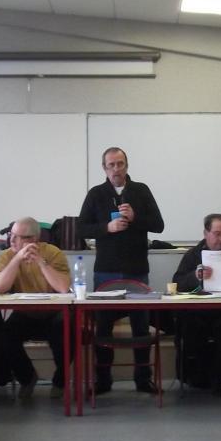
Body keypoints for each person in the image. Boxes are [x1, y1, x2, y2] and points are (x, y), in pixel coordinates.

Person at [77, 146, 164, 393]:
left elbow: (158, 225)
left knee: (140, 326)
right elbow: (81, 228)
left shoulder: (141, 190)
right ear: (104, 168)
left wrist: (135, 217)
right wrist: (107, 228)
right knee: (103, 326)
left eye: (120, 164)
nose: (116, 169)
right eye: (111, 165)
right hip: (106, 270)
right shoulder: (96, 194)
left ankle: (143, 379)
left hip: (137, 269)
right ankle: (103, 380)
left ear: (127, 165)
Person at [171, 213, 221, 396]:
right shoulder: (193, 255)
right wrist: (194, 277)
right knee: (190, 326)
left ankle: (218, 375)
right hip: (198, 311)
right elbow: (177, 283)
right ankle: (216, 372)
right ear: (205, 233)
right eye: (217, 234)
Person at [0, 216, 71, 399]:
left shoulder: (53, 252)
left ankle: (60, 381)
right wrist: (17, 258)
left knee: (67, 333)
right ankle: (27, 378)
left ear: (33, 239)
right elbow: (0, 287)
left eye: (18, 237)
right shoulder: (6, 255)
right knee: (3, 337)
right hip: (24, 313)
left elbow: (62, 288)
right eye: (11, 235)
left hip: (54, 313)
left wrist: (40, 262)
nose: (11, 240)